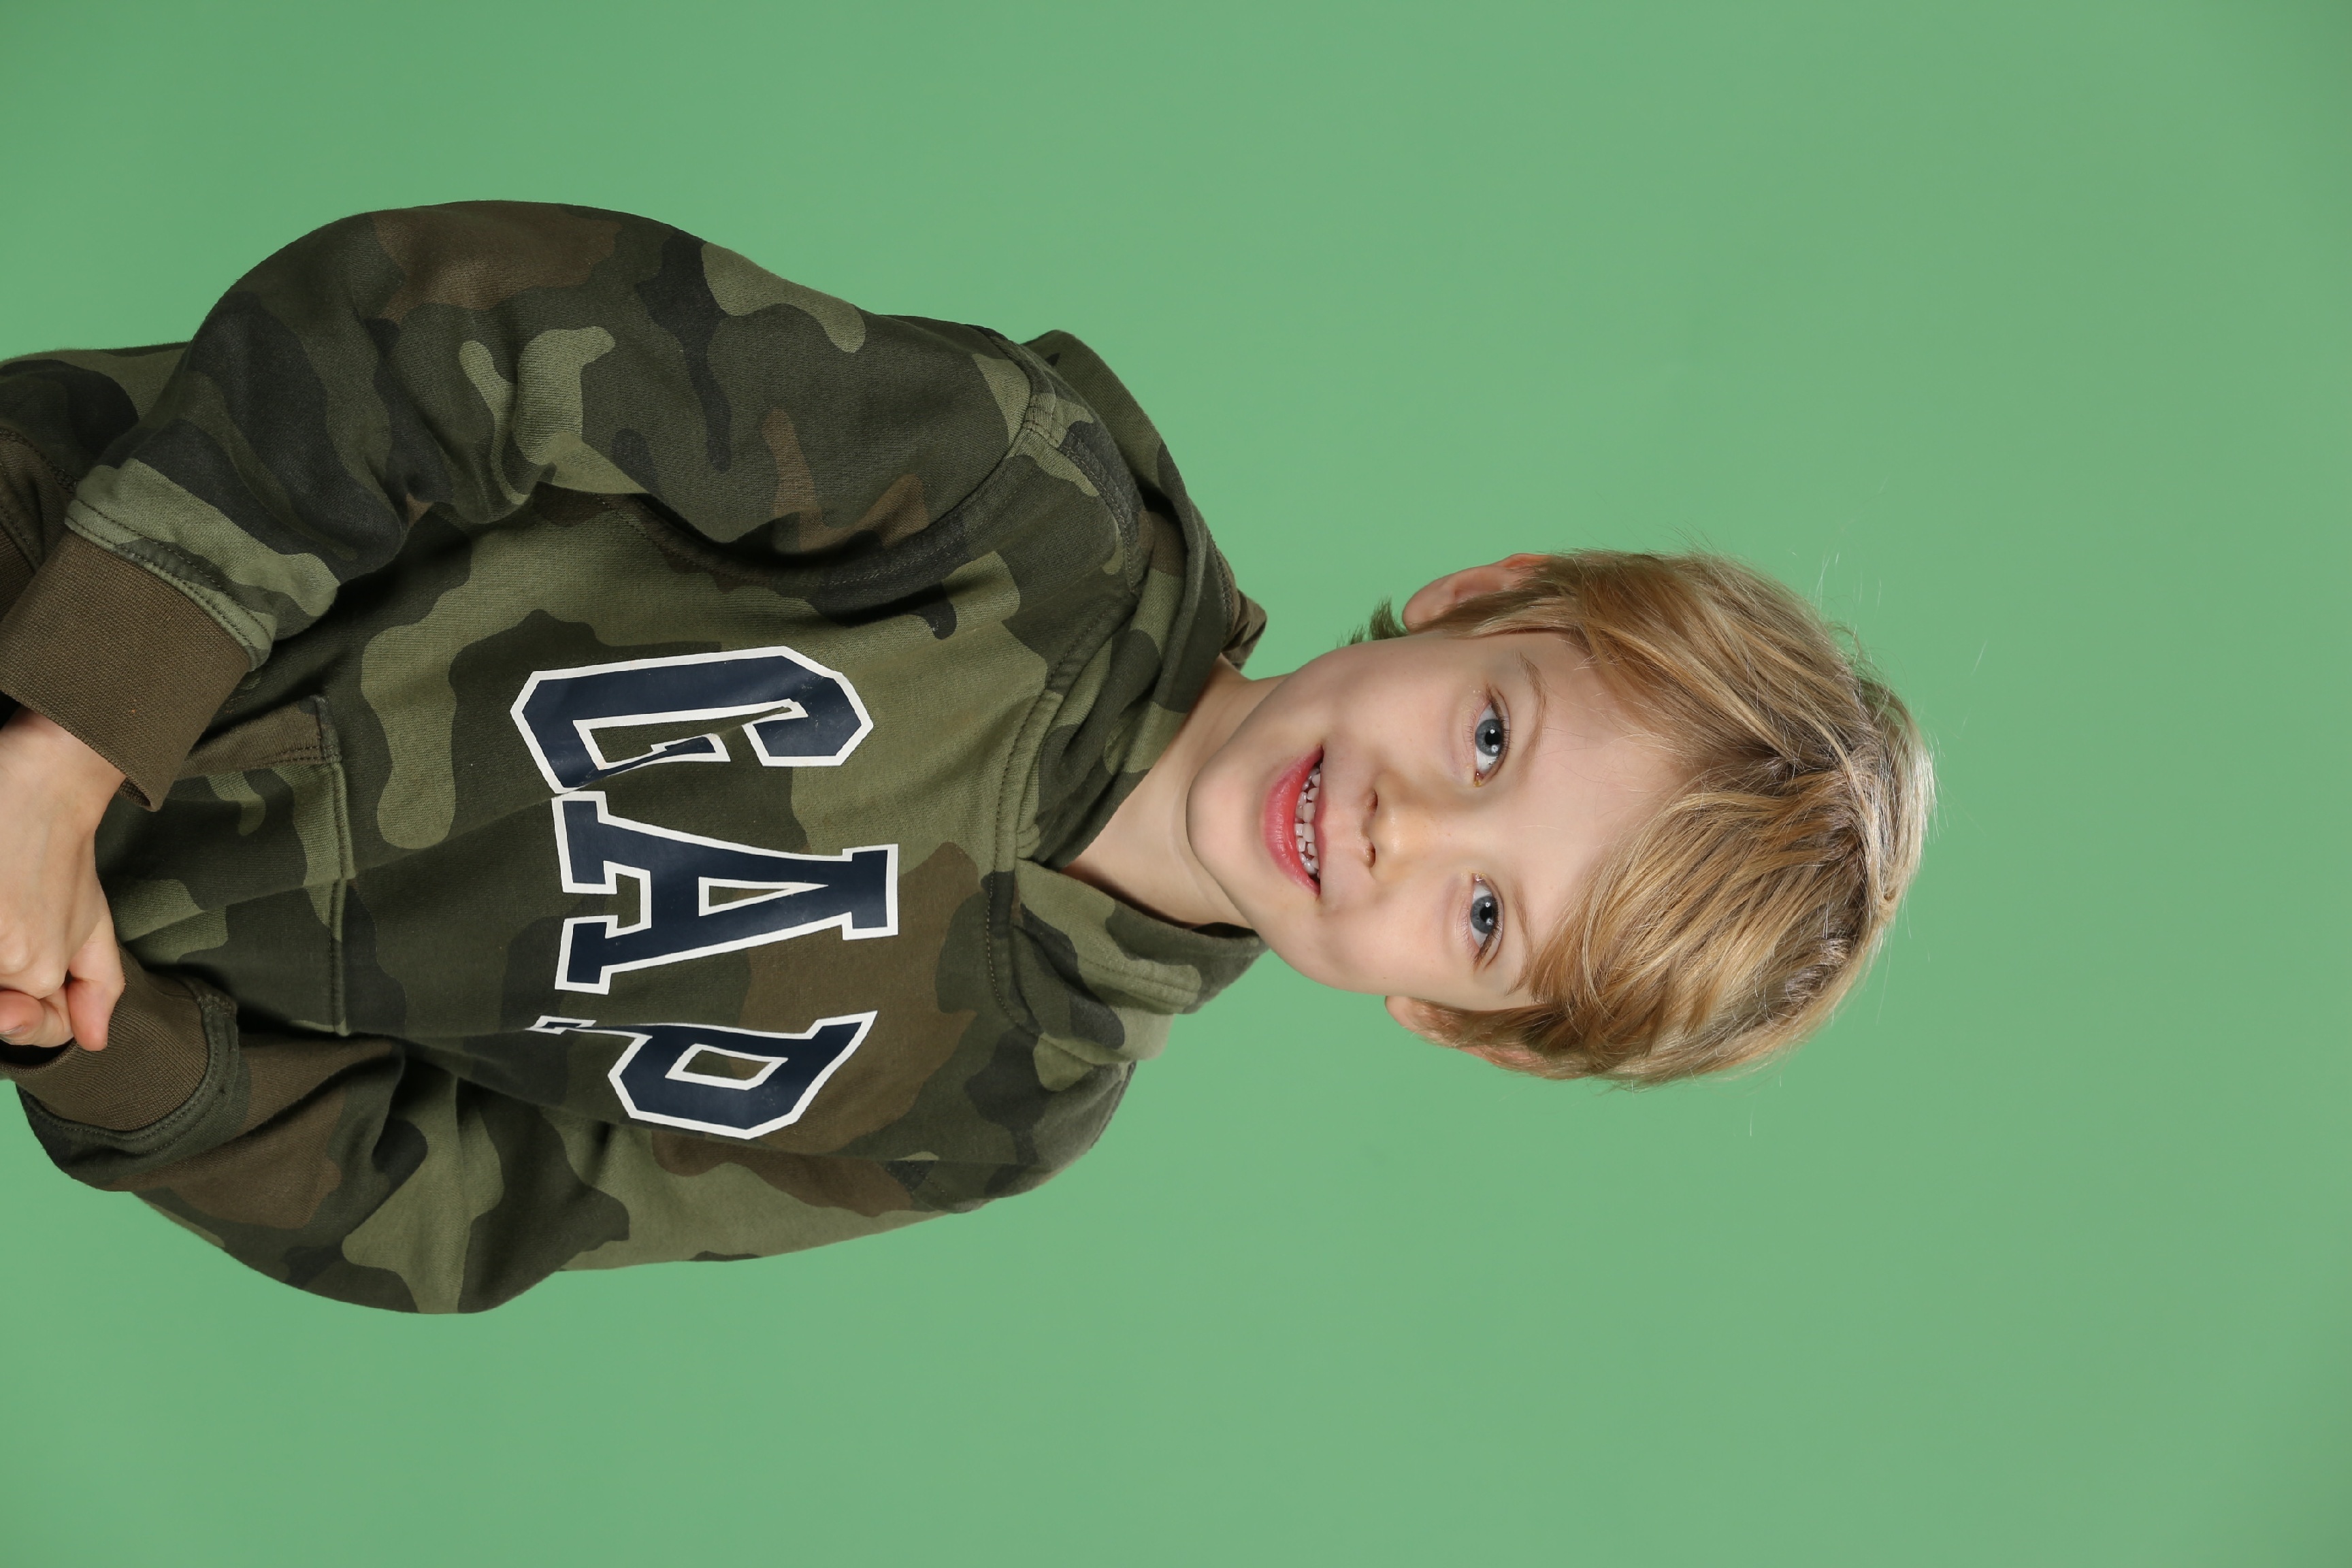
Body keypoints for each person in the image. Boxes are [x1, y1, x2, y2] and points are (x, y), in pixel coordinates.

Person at [0, 203, 1931, 1312]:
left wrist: (105, 1041)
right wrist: (78, 739)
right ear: (1477, 597)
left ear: (1453, 1022)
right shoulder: (1020, 504)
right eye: (1490, 734)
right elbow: (444, 330)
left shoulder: (1002, 1108)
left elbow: (479, 1201)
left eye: (1487, 917)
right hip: (48, 570)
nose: (1406, 827)